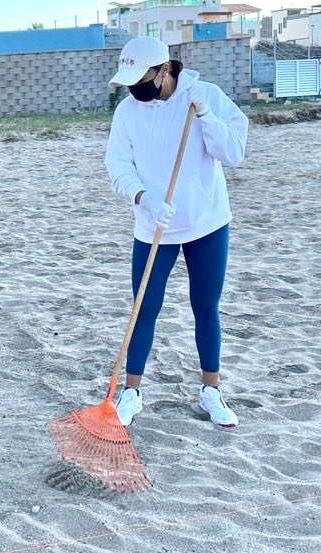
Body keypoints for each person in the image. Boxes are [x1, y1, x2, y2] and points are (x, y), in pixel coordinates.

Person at [104, 36, 248, 428]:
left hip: (207, 222)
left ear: (164, 70)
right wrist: (142, 196)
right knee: (143, 309)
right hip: (154, 224)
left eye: (142, 77)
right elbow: (117, 164)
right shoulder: (128, 113)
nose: (136, 87)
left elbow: (233, 153)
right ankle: (131, 391)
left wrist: (206, 116)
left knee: (205, 306)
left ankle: (211, 390)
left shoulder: (205, 95)